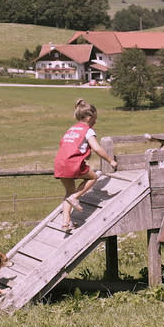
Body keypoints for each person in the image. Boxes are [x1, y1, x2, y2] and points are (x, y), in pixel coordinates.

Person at [54, 99, 118, 231]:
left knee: (69, 191)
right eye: (95, 118)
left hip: (60, 163)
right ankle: (75, 197)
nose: (96, 121)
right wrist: (110, 160)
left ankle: (66, 222)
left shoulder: (71, 129)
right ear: (89, 118)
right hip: (72, 163)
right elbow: (97, 148)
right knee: (93, 177)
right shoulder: (87, 130)